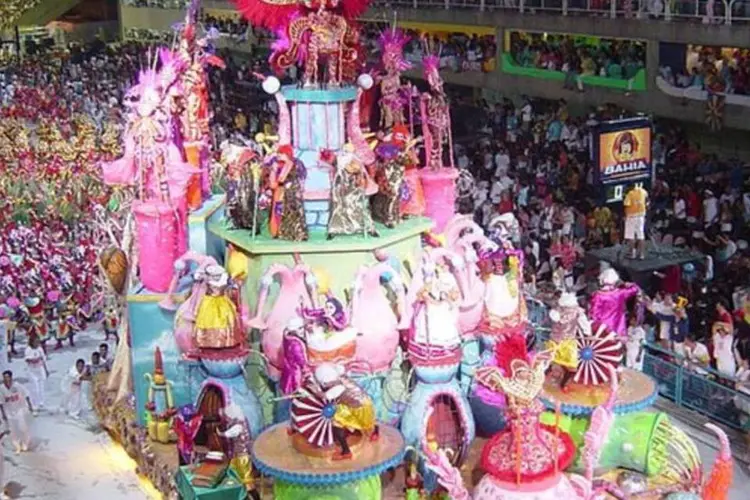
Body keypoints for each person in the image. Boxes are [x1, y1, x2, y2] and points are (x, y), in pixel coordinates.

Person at [0, 370, 34, 453]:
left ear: (11, 378)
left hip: (20, 409)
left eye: (8, 377)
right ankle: (17, 446)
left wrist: (30, 406)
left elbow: (26, 395)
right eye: (4, 378)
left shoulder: (18, 386)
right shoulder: (1, 388)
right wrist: (3, 414)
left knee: (22, 427)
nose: (6, 379)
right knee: (13, 430)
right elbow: (1, 402)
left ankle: (25, 443)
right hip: (9, 412)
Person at [623, 183, 649, 260]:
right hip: (641, 216)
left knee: (631, 236)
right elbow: (647, 202)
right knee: (641, 235)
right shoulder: (643, 191)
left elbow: (626, 205)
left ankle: (632, 254)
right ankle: (641, 254)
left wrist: (625, 216)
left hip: (631, 217)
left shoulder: (630, 194)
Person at [23, 337, 48, 411]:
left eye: (38, 342)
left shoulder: (40, 349)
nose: (37, 343)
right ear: (32, 342)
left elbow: (43, 359)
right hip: (32, 371)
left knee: (41, 387)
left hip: (40, 369)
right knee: (35, 388)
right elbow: (27, 359)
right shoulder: (28, 350)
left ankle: (41, 402)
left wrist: (46, 370)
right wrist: (33, 359)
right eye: (36, 342)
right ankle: (34, 405)